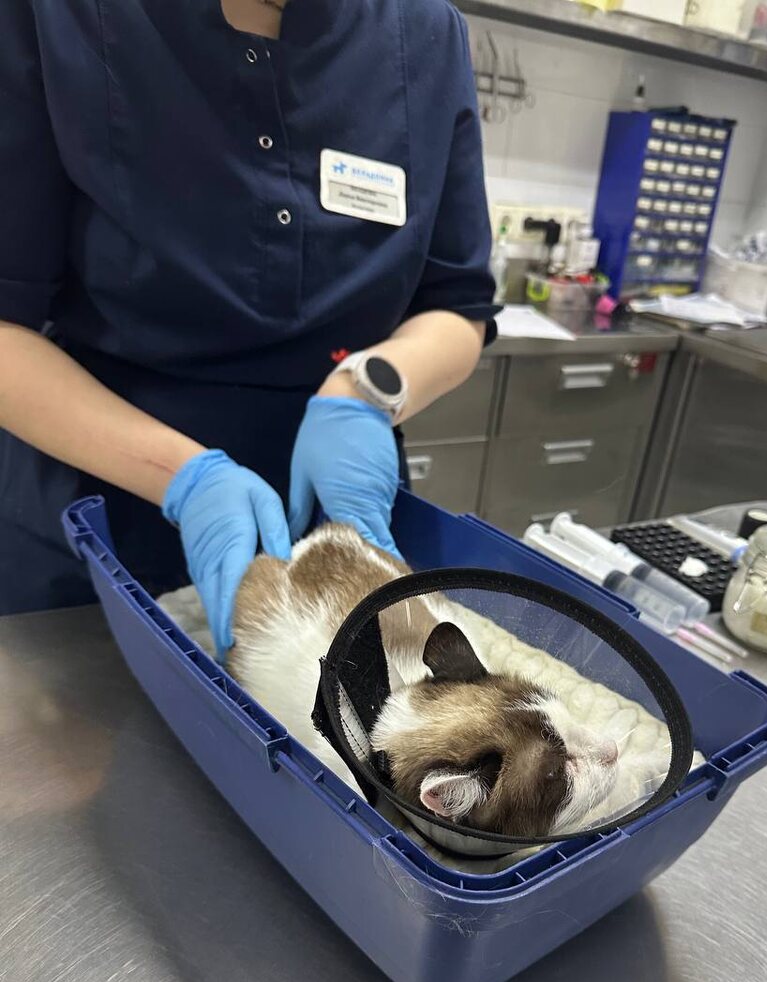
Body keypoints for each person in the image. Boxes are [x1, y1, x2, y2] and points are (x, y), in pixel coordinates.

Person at [0, 0, 497, 656]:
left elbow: (458, 305)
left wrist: (365, 393)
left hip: (339, 515)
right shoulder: (49, 17)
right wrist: (183, 478)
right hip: (98, 510)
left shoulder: (425, 33)